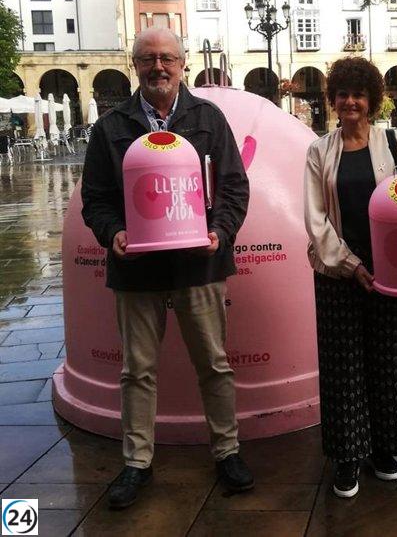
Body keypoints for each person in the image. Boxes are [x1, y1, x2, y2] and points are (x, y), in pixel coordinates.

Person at [81, 28, 253, 509]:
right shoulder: (111, 127)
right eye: (148, 59)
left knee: (215, 365)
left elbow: (235, 188)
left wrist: (220, 232)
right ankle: (136, 462)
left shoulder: (208, 118)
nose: (158, 67)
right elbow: (94, 200)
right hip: (136, 271)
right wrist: (112, 233)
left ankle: (227, 451)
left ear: (183, 63)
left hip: (201, 264)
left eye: (167, 59)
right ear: (134, 64)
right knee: (137, 371)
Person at [304, 56, 397, 499]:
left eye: (359, 94)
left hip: (389, 273)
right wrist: (351, 266)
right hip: (337, 272)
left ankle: (384, 450)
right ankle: (349, 457)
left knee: (388, 361)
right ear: (333, 100)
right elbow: (315, 219)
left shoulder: (394, 142)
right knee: (343, 365)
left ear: (372, 100)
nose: (351, 102)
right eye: (343, 94)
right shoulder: (319, 151)